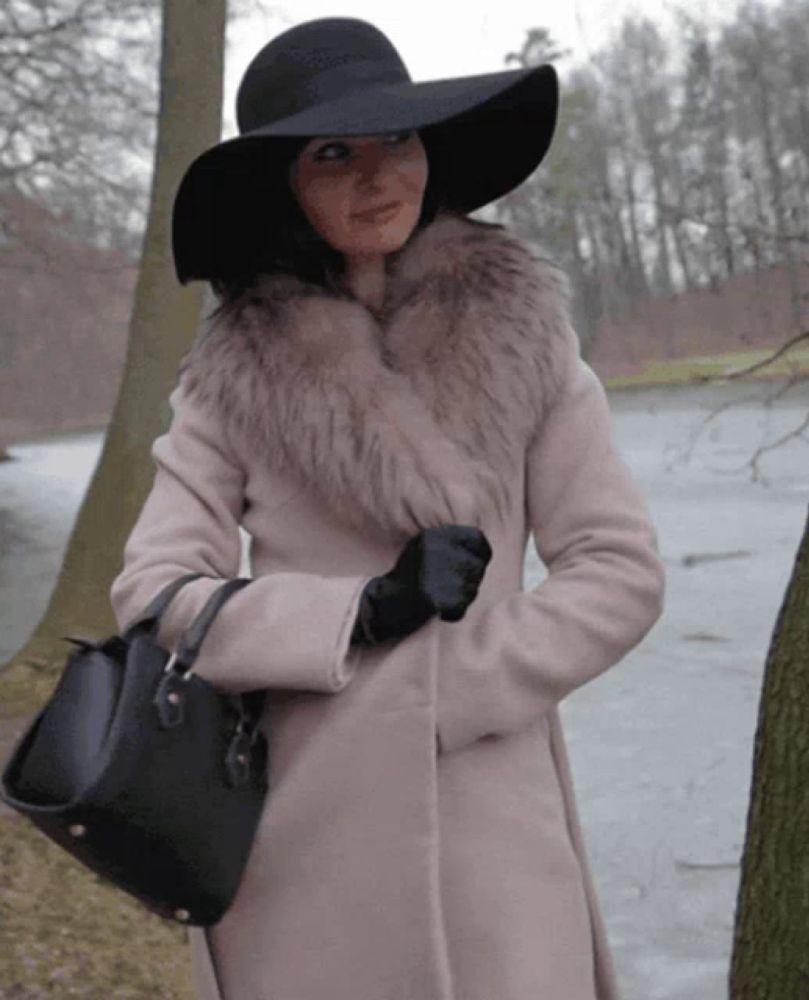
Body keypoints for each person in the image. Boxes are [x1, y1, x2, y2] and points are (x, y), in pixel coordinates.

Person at [109, 16, 665, 1000]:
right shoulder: (227, 378)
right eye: (334, 154)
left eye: (395, 141)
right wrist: (357, 613)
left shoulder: (524, 338)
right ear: (284, 179)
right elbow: (155, 596)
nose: (377, 178)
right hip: (304, 834)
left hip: (499, 826)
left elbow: (616, 571)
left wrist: (456, 692)